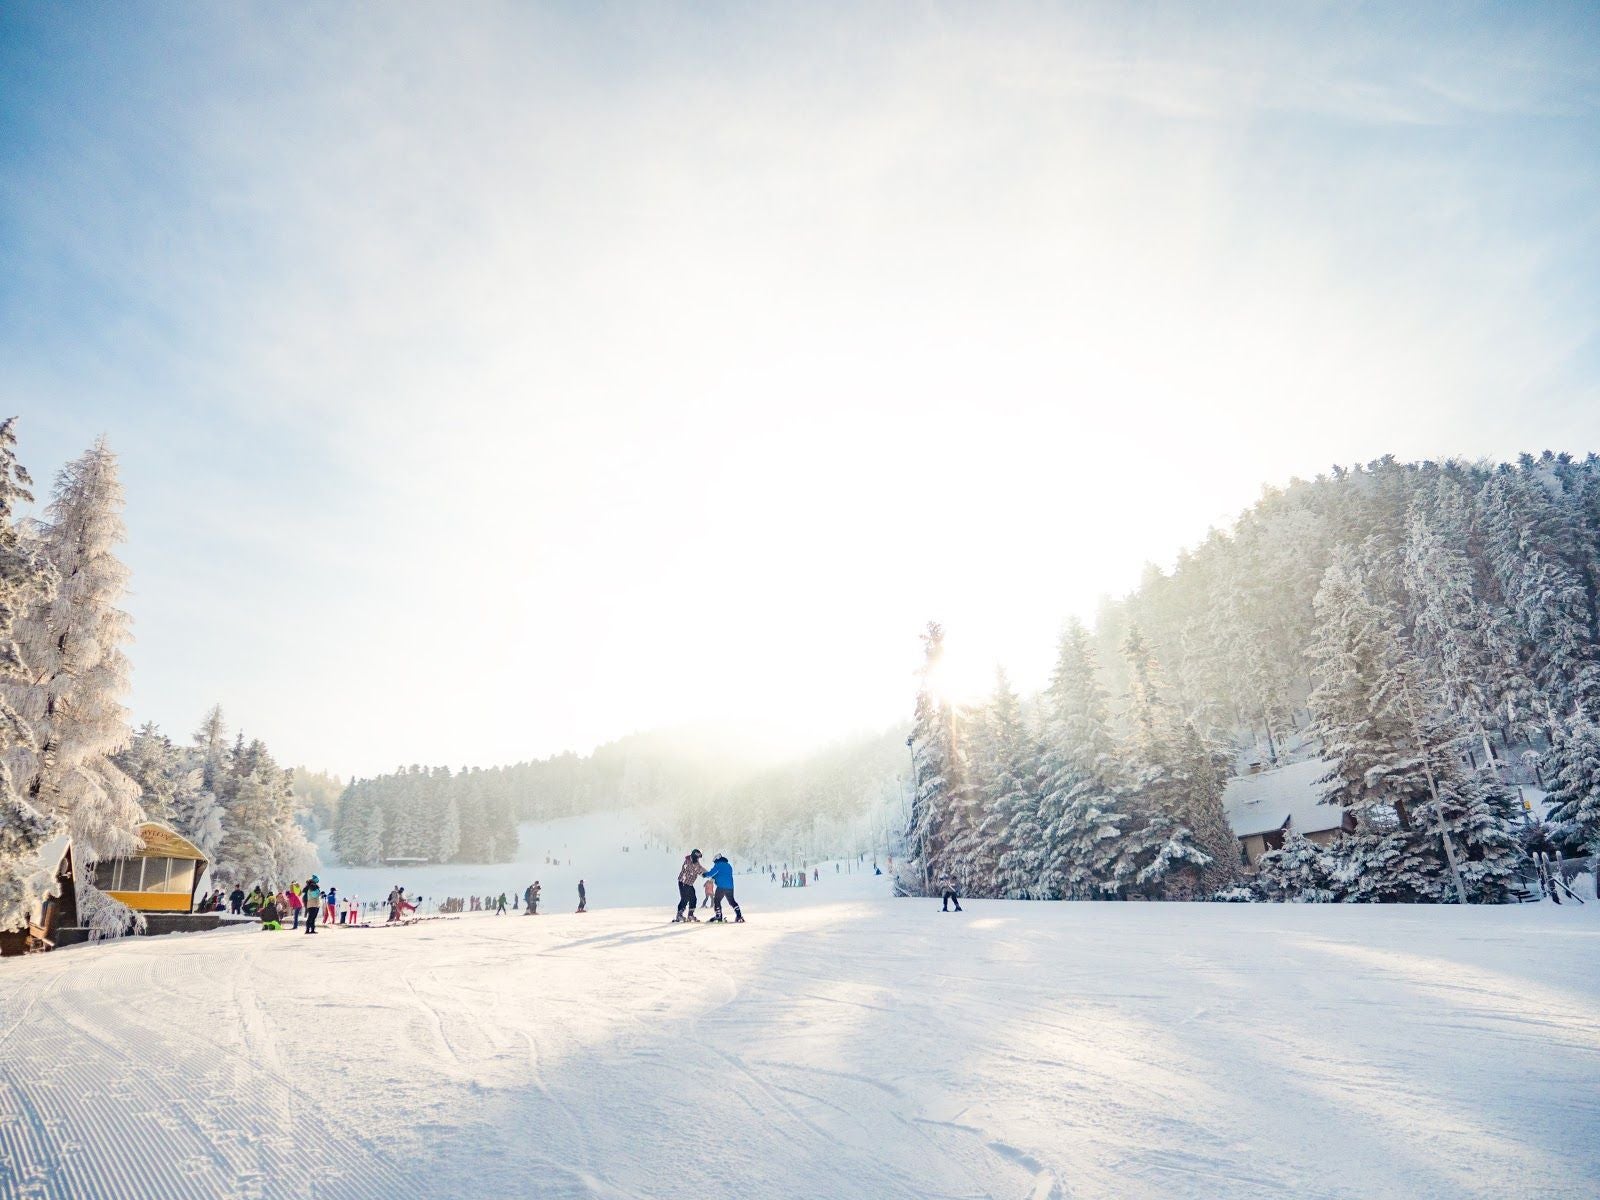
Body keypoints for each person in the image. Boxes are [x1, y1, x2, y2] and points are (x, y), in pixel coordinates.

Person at [703, 853, 744, 923]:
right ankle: (739, 916)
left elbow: (711, 873)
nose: (714, 863)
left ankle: (718, 916)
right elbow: (722, 875)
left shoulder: (718, 865)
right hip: (730, 887)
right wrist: (714, 877)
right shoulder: (728, 865)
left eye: (715, 861)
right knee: (732, 901)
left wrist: (705, 875)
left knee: (716, 901)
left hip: (721, 887)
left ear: (717, 859)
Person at [675, 849, 705, 922]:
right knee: (684, 899)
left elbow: (700, 868)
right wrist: (704, 874)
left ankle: (690, 915)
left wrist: (710, 873)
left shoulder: (695, 862)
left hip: (689, 884)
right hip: (683, 883)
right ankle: (679, 915)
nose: (698, 859)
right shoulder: (688, 861)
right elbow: (695, 869)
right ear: (695, 856)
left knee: (693, 899)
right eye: (698, 857)